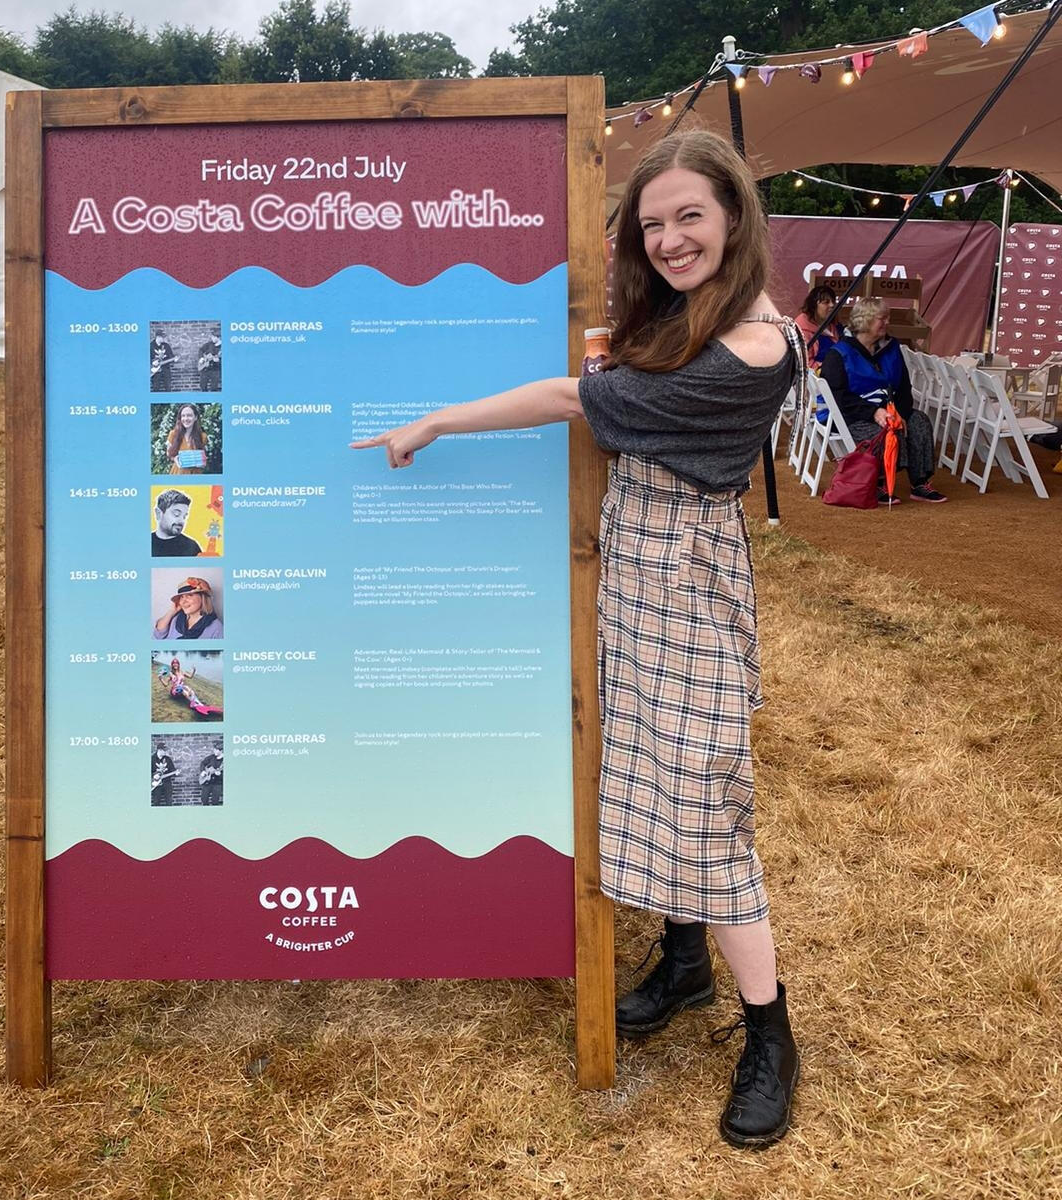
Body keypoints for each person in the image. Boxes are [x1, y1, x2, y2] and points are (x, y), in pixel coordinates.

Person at [352, 130, 803, 1148]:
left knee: (703, 796)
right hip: (641, 573)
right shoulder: (699, 316)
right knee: (646, 772)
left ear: (734, 214)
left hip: (682, 582)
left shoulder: (750, 350)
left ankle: (771, 1033)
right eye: (652, 226)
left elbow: (572, 400)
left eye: (690, 215)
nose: (672, 239)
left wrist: (434, 422)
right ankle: (685, 965)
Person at [821, 297, 947, 504]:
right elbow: (839, 397)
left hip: (889, 407)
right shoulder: (839, 354)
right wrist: (874, 412)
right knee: (883, 432)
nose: (887, 323)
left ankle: (920, 483)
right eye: (882, 318)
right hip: (852, 415)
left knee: (919, 421)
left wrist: (899, 412)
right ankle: (879, 482)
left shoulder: (891, 347)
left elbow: (904, 387)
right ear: (865, 321)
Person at [793, 284, 844, 371]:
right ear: (813, 306)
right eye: (826, 302)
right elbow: (805, 363)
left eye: (833, 301)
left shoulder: (836, 326)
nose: (832, 305)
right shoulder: (802, 331)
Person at [154, 576, 223, 639]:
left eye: (189, 595)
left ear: (202, 598)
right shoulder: (176, 619)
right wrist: (171, 611)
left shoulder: (216, 628)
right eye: (182, 597)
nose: (183, 601)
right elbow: (158, 635)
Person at [152, 489, 203, 556]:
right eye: (176, 514)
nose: (181, 520)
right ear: (158, 513)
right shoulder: (146, 542)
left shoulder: (192, 547)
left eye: (184, 516)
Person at [165, 404, 210, 475]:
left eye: (189, 415)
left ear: (195, 417)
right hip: (178, 473)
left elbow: (203, 456)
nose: (186, 419)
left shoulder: (203, 436)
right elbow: (168, 454)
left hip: (196, 475)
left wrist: (203, 461)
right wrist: (175, 459)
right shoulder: (173, 434)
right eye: (183, 416)